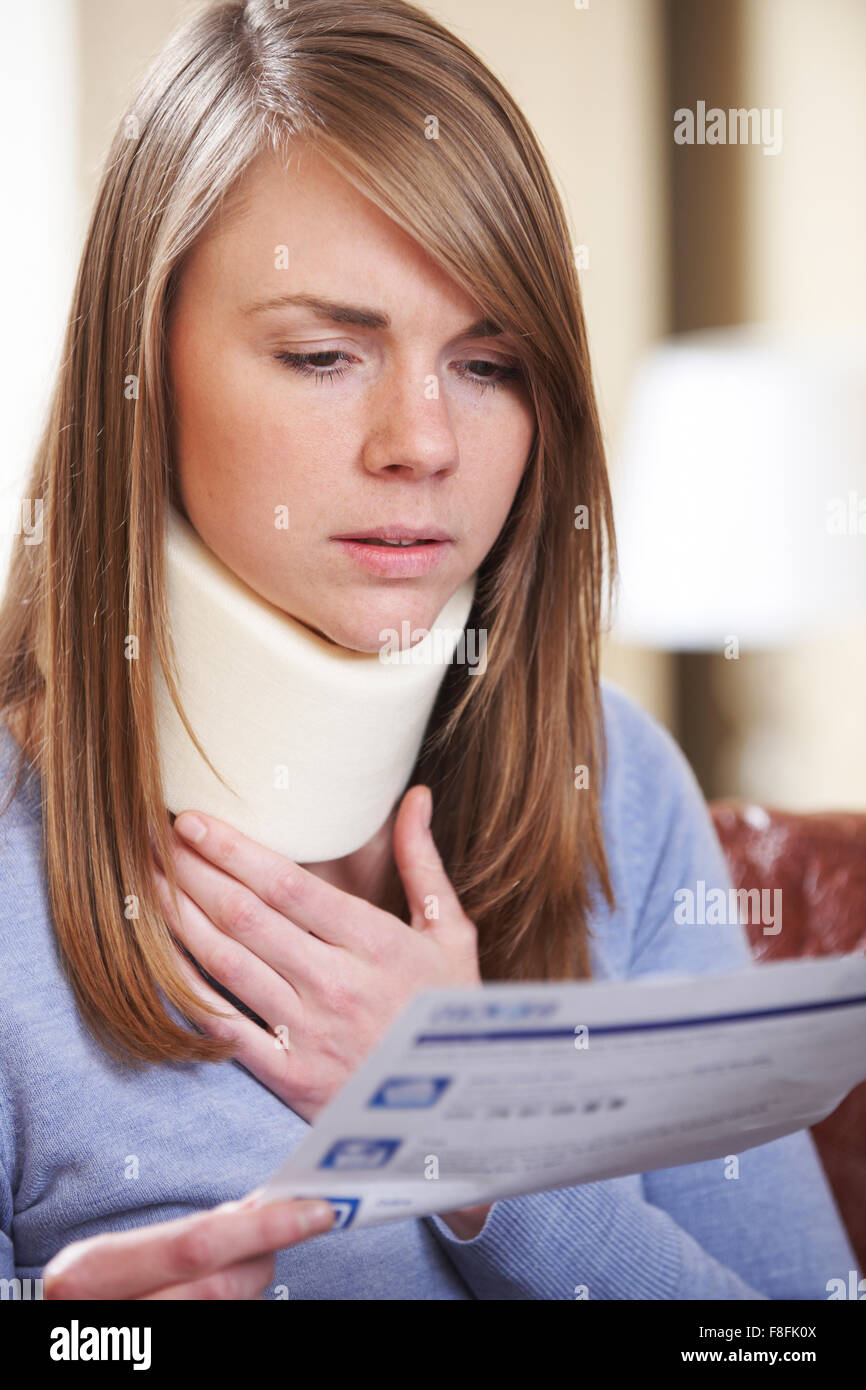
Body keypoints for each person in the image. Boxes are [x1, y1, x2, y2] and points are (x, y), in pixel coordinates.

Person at [0, 0, 856, 1301]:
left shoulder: (610, 783)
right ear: (141, 366)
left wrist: (475, 1129)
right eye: (324, 352)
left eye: (489, 361)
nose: (424, 442)